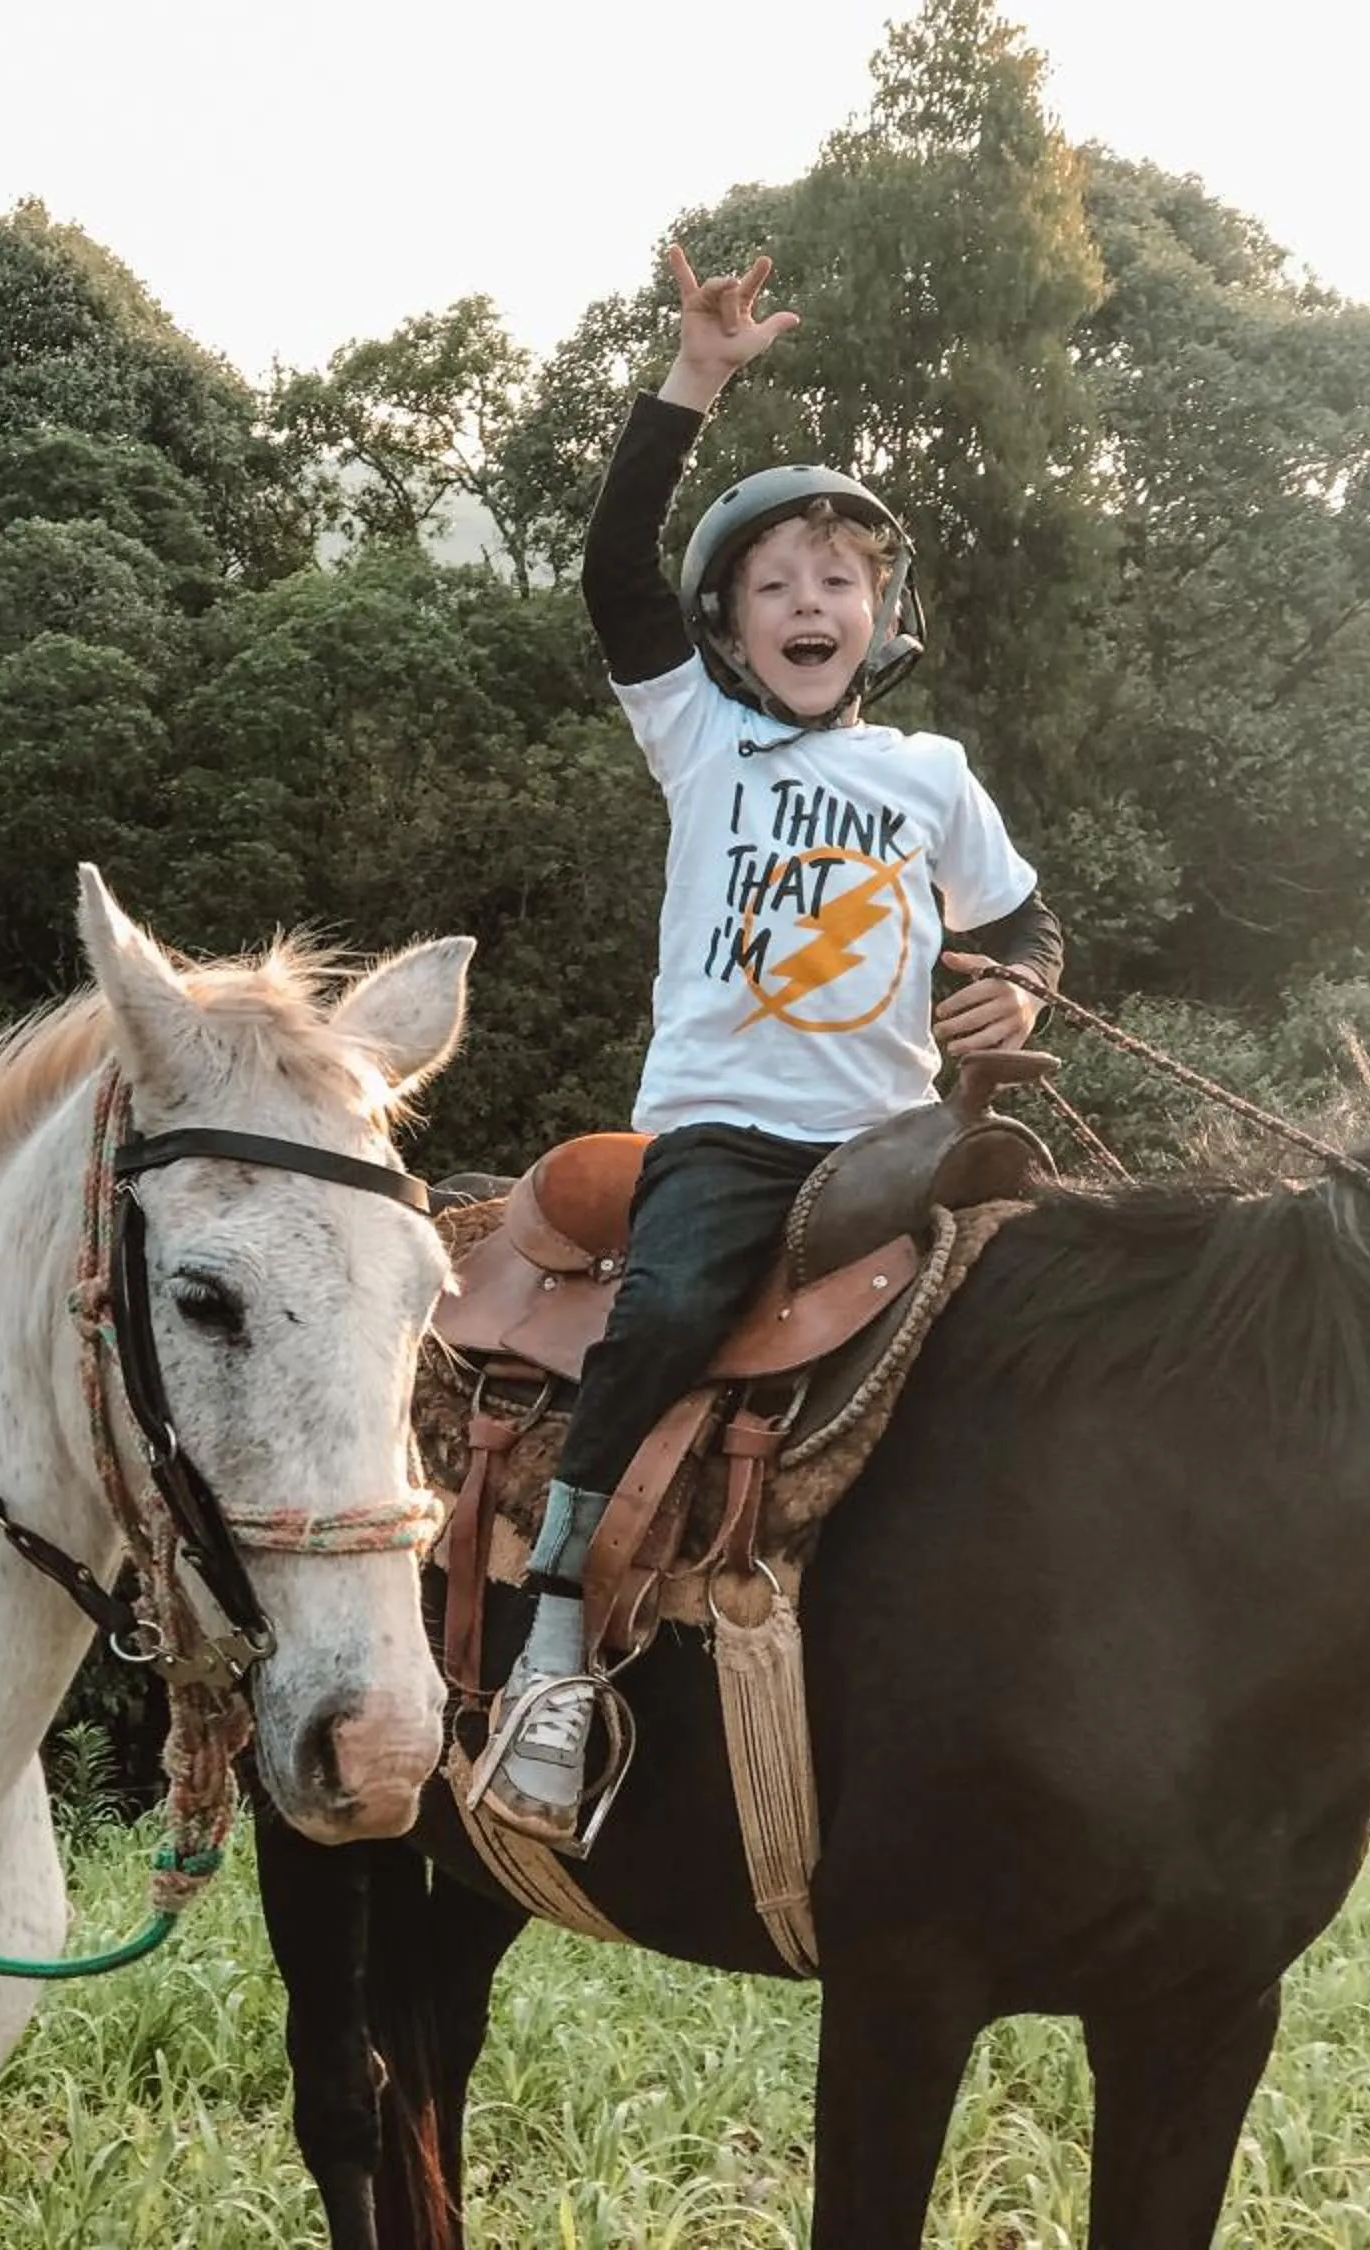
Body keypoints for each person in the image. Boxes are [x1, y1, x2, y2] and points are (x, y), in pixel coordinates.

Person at [473, 250, 1068, 1850]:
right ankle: (549, 1660)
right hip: (728, 1131)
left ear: (882, 618)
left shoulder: (932, 774)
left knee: (1054, 1294)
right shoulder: (701, 736)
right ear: (730, 630)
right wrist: (692, 385)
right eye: (777, 585)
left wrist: (1010, 994)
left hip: (898, 1136)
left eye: (839, 580)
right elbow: (610, 566)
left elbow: (1026, 933)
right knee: (663, 1311)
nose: (813, 603)